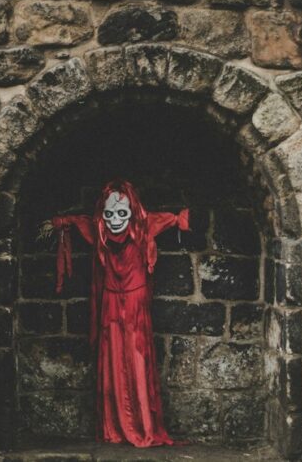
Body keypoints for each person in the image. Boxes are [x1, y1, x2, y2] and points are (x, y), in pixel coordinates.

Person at [38, 179, 190, 448]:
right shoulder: (99, 230)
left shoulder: (143, 226)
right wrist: (59, 223)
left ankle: (141, 424)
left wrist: (184, 219)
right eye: (109, 214)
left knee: (136, 359)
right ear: (102, 214)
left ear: (132, 212)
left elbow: (172, 219)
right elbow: (78, 221)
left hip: (135, 304)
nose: (115, 220)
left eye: (121, 213)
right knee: (113, 360)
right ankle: (116, 425)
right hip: (110, 303)